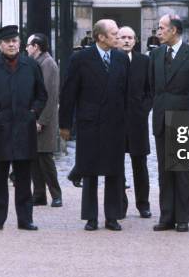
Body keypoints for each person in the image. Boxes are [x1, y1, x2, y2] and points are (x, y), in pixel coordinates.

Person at [60, 19, 129, 232]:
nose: (119, 38)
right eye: (114, 34)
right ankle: (91, 217)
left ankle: (112, 216)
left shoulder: (121, 58)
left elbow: (125, 92)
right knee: (89, 171)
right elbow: (69, 92)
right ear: (101, 37)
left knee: (114, 171)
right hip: (90, 122)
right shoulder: (80, 58)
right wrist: (65, 125)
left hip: (115, 123)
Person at [0, 25, 47, 231]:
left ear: (20, 43)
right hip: (1, 128)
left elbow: (42, 95)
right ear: (0, 45)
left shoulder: (30, 65)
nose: (12, 44)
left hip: (24, 127)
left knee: (24, 177)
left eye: (15, 41)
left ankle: (25, 219)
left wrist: (33, 113)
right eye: (7, 42)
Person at [149, 14, 189, 233]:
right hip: (162, 118)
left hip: (183, 119)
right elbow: (152, 87)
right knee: (165, 170)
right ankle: (166, 216)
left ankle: (183, 218)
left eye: (162, 28)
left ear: (174, 30)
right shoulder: (155, 55)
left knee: (181, 170)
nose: (158, 32)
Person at [117, 26, 153, 219]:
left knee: (140, 165)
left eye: (130, 37)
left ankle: (143, 204)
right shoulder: (111, 59)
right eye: (123, 37)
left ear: (136, 40)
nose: (127, 41)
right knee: (117, 166)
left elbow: (150, 90)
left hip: (138, 122)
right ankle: (120, 205)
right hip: (116, 121)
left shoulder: (144, 61)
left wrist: (143, 109)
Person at [26, 33, 62, 208]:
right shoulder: (38, 63)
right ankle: (39, 194)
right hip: (35, 116)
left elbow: (49, 95)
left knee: (46, 158)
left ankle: (56, 194)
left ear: (36, 46)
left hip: (43, 118)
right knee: (35, 157)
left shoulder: (48, 64)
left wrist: (41, 120)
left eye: (28, 45)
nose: (26, 48)